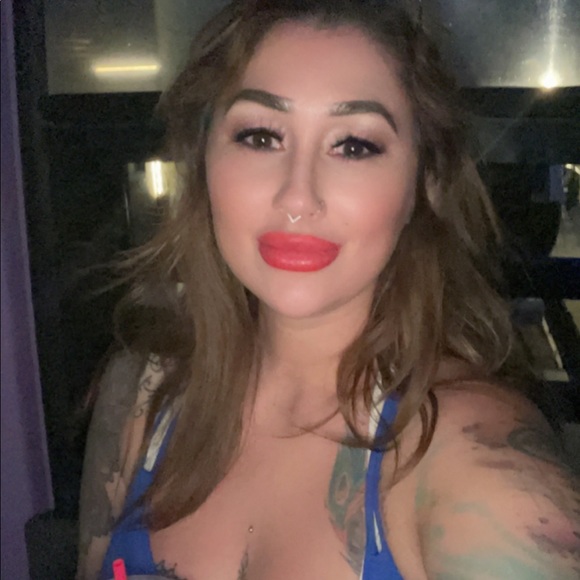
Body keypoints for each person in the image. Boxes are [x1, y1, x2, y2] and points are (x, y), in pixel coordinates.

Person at [77, 1, 580, 578]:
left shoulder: (482, 470)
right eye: (261, 136)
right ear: (202, 160)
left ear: (424, 184)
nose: (298, 197)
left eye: (354, 146)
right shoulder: (142, 394)